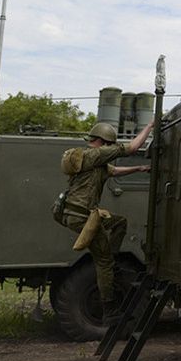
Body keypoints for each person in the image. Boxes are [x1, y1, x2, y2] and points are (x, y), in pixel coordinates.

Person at [60, 119, 154, 325]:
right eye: (110, 145)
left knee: (119, 223)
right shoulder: (95, 154)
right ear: (103, 143)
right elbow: (132, 147)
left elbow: (114, 171)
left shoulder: (93, 160)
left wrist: (139, 168)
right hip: (83, 217)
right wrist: (149, 126)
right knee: (103, 262)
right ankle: (109, 311)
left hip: (78, 214)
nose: (111, 149)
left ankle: (111, 264)